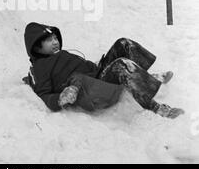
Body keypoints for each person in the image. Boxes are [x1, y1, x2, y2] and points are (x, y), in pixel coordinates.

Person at [23, 22, 185, 119]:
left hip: (97, 75)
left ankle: (143, 77)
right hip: (88, 90)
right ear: (36, 46)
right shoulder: (39, 68)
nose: (55, 42)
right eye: (49, 40)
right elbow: (43, 95)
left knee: (123, 44)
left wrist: (98, 65)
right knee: (121, 65)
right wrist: (60, 98)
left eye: (55, 38)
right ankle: (158, 108)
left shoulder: (61, 55)